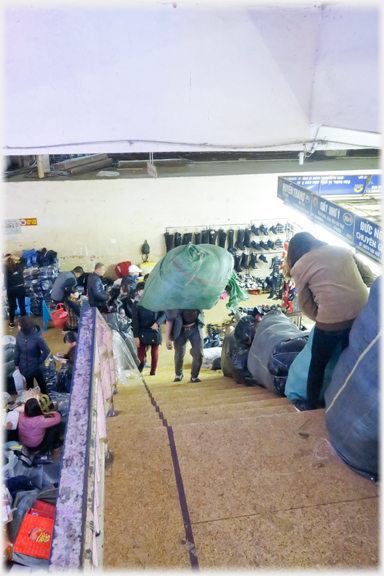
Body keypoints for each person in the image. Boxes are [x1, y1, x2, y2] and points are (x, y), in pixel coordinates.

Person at [286, 232, 376, 412]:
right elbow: (370, 278)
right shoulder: (343, 250)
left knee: (317, 365)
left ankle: (310, 405)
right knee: (349, 362)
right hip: (361, 318)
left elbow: (305, 304)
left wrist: (322, 320)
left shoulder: (300, 266)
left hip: (331, 323)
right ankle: (348, 403)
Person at [165, 309, 205, 382]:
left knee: (199, 353)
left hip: (194, 327)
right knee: (179, 354)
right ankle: (178, 374)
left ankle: (194, 376)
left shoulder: (195, 298)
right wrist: (168, 339)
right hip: (179, 330)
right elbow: (169, 320)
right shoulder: (173, 303)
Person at [14, 316, 50, 394]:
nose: (18, 327)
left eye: (19, 325)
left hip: (36, 367)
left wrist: (39, 361)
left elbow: (46, 350)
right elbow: (17, 349)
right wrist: (16, 363)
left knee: (41, 382)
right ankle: (31, 400)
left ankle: (45, 397)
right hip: (24, 366)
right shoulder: (19, 335)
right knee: (29, 386)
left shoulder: (37, 337)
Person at [133, 298, 165, 376]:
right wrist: (136, 336)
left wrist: (158, 323)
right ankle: (142, 364)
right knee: (140, 355)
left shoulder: (158, 300)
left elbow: (164, 314)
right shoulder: (137, 303)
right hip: (142, 330)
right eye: (139, 291)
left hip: (154, 329)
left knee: (154, 353)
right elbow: (135, 320)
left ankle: (153, 371)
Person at [3, 254, 26, 328]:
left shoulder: (5, 269)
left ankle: (12, 323)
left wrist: (4, 259)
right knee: (22, 306)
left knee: (11, 307)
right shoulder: (18, 267)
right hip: (20, 288)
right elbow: (24, 260)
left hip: (11, 289)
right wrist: (15, 257)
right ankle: (24, 323)